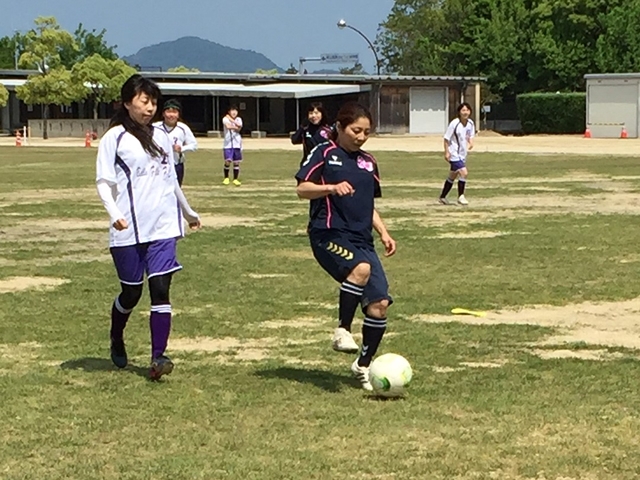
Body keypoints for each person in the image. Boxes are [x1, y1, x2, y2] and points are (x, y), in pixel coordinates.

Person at [96, 74, 201, 381]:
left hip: (164, 227)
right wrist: (114, 212)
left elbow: (170, 181)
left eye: (154, 101)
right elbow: (103, 182)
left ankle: (158, 357)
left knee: (160, 289)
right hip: (128, 229)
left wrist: (189, 211)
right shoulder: (114, 138)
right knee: (131, 293)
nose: (150, 107)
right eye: (144, 101)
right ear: (128, 102)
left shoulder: (162, 137)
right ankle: (117, 335)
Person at [295, 102, 397, 391]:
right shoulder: (324, 153)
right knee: (360, 269)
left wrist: (384, 232)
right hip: (328, 235)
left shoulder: (368, 162)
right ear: (339, 127)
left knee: (379, 306)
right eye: (356, 130)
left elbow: (368, 205)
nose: (361, 137)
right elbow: (302, 188)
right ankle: (342, 330)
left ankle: (362, 366)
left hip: (362, 240)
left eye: (367, 132)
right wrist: (330, 187)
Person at [153, 99, 198, 186]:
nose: (171, 115)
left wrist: (181, 149)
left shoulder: (183, 128)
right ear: (163, 114)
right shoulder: (155, 127)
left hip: (176, 165)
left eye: (174, 112)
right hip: (158, 165)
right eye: (168, 112)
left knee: (175, 193)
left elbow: (194, 145)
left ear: (178, 114)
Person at [439, 102, 475, 205]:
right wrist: (446, 152)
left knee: (452, 176)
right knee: (464, 173)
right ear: (459, 112)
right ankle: (461, 196)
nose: (465, 112)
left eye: (467, 110)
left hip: (463, 154)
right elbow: (446, 138)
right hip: (454, 153)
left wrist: (471, 142)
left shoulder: (470, 123)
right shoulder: (454, 123)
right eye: (463, 110)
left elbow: (469, 135)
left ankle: (442, 197)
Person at [222, 105, 243, 186]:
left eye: (235, 111)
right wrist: (234, 125)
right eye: (232, 111)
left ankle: (235, 179)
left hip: (237, 143)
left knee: (236, 162)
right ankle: (226, 178)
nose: (234, 113)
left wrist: (232, 121)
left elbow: (239, 127)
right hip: (228, 144)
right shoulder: (225, 119)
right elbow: (228, 126)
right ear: (229, 112)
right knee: (228, 161)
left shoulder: (239, 119)